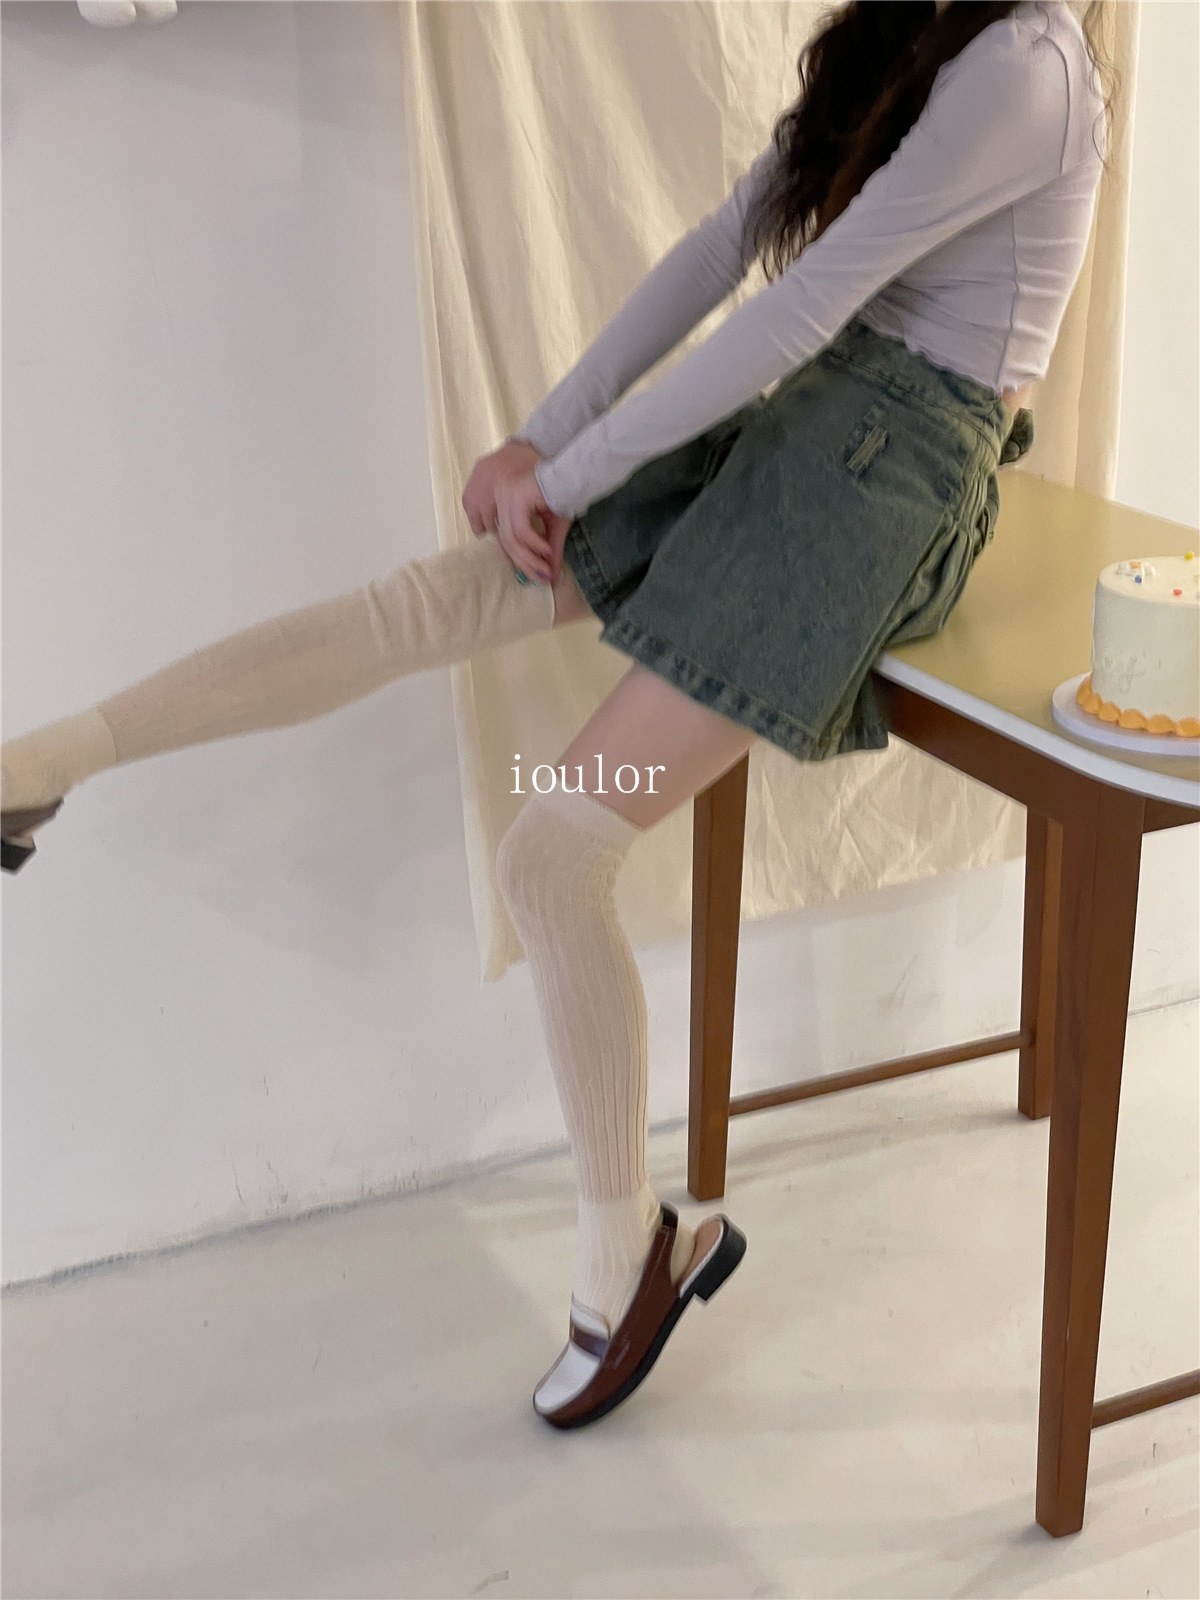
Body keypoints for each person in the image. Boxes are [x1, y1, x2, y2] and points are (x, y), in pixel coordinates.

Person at [1, 0, 1110, 1428]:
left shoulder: (1030, 65)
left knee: (551, 854)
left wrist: (572, 476)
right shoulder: (920, 30)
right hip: (813, 423)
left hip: (889, 487)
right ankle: (42, 763)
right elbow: (724, 244)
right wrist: (542, 434)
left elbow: (804, 300)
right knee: (428, 602)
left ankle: (629, 1256)